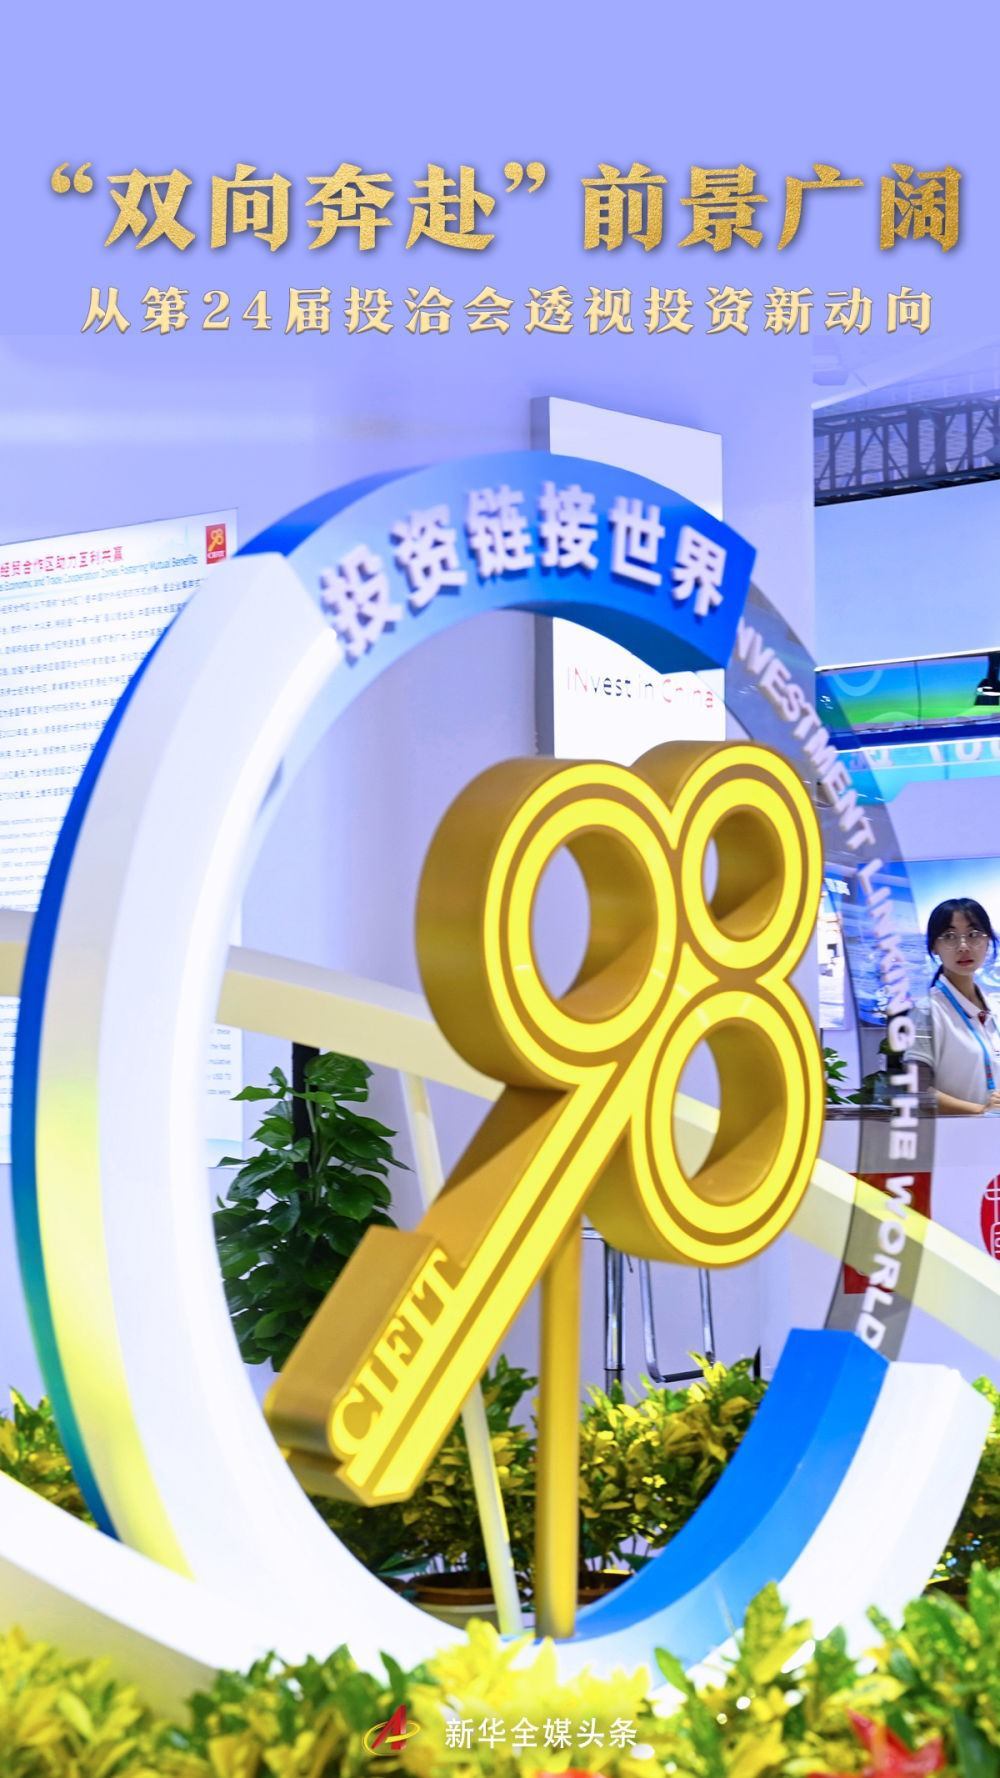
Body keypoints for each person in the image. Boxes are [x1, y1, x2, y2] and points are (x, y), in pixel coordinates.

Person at [912, 898, 1000, 1114]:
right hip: (956, 1133)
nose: (963, 946)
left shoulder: (995, 1006)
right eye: (949, 936)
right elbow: (916, 1090)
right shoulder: (926, 1011)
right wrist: (981, 1110)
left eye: (973, 934)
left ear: (988, 940)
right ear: (934, 947)